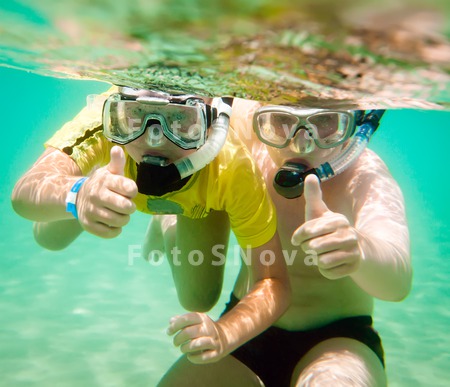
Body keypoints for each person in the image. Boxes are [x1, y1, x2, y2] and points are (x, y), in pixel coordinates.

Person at [11, 86, 291, 377]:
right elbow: (25, 191)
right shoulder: (107, 120)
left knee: (199, 299)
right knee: (47, 237)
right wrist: (78, 194)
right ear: (120, 111)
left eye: (181, 121)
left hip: (201, 200)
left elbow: (273, 280)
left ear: (212, 121)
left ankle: (167, 220)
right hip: (100, 183)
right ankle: (98, 185)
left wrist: (225, 334)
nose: (154, 139)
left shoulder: (232, 166)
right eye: (137, 116)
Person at [157, 99, 412, 386]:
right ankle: (166, 222)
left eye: (326, 122)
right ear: (261, 118)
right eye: (282, 122)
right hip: (247, 325)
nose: (301, 143)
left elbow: (398, 282)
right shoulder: (250, 144)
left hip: (339, 342)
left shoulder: (364, 176)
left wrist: (359, 251)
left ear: (353, 124)